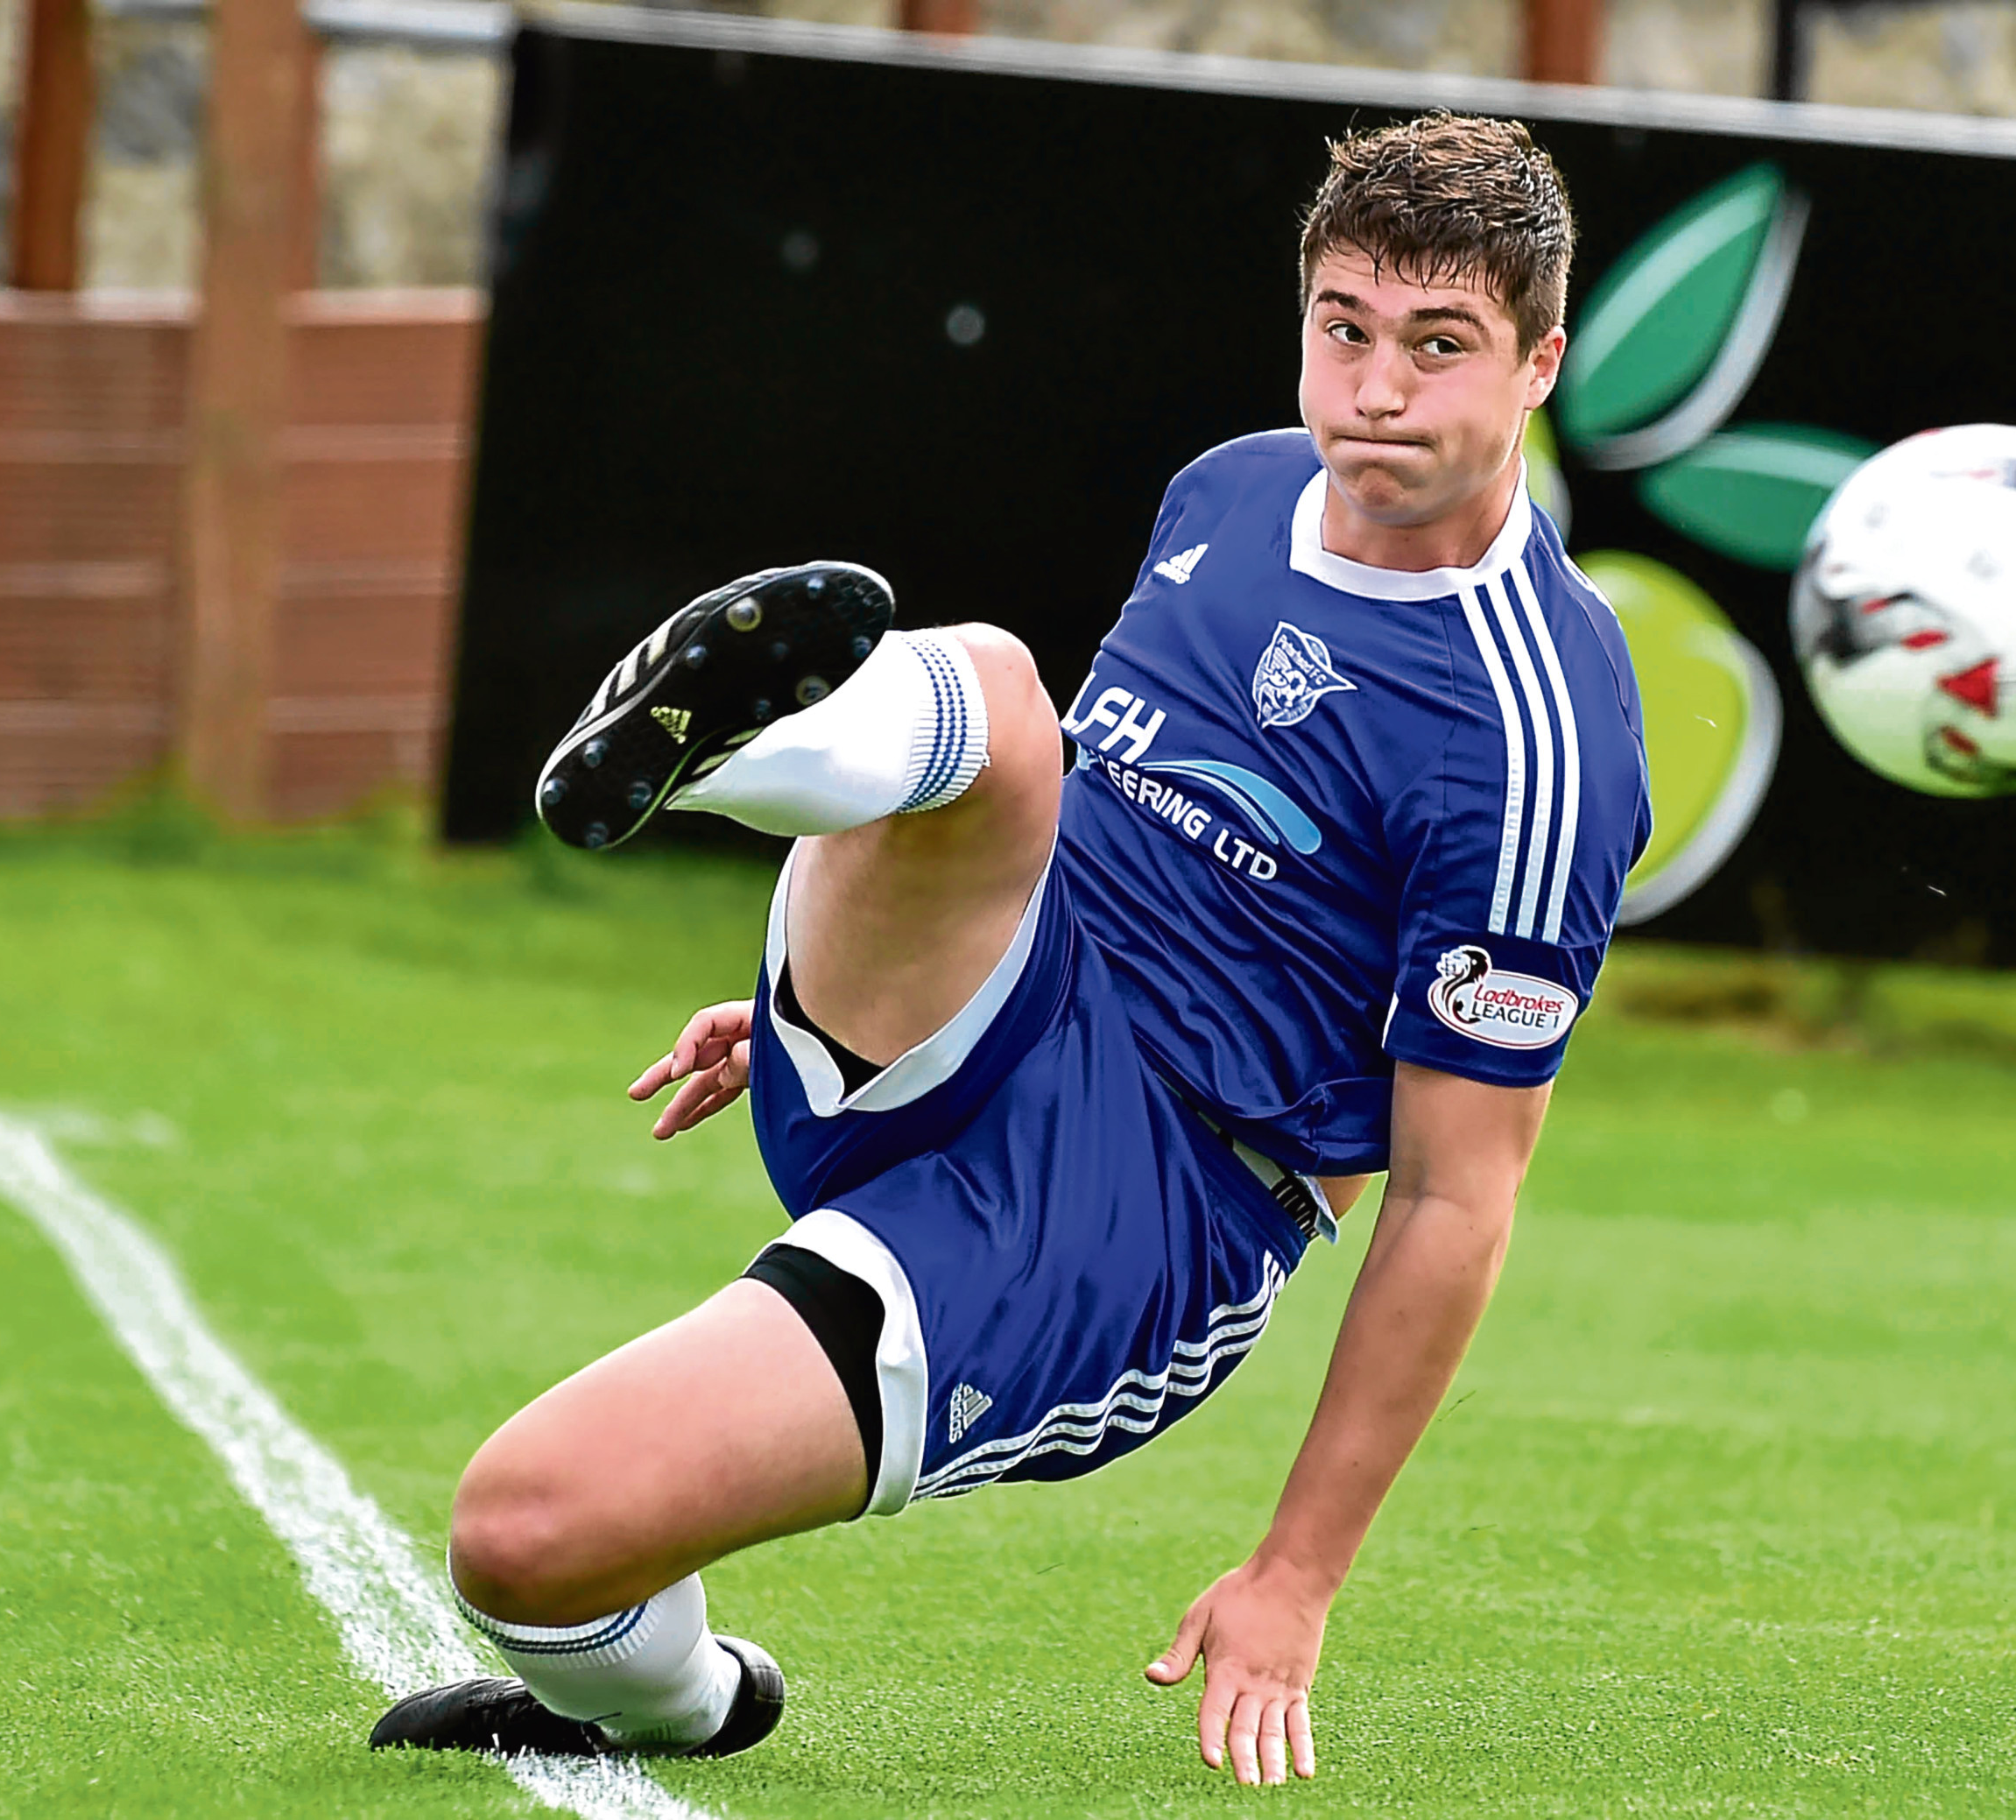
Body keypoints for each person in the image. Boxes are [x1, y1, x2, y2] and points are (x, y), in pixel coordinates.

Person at [371, 109, 1650, 1786]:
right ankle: (711, 767)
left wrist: (1295, 1576)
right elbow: (1090, 831)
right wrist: (838, 986)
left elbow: (1455, 1193)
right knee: (1000, 695)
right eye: (1344, 328)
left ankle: (687, 1697)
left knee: (522, 1533)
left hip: (1132, 1208)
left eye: (1441, 346)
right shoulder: (1235, 486)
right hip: (993, 987)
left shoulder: (1539, 735)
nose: (1378, 392)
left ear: (1540, 362)